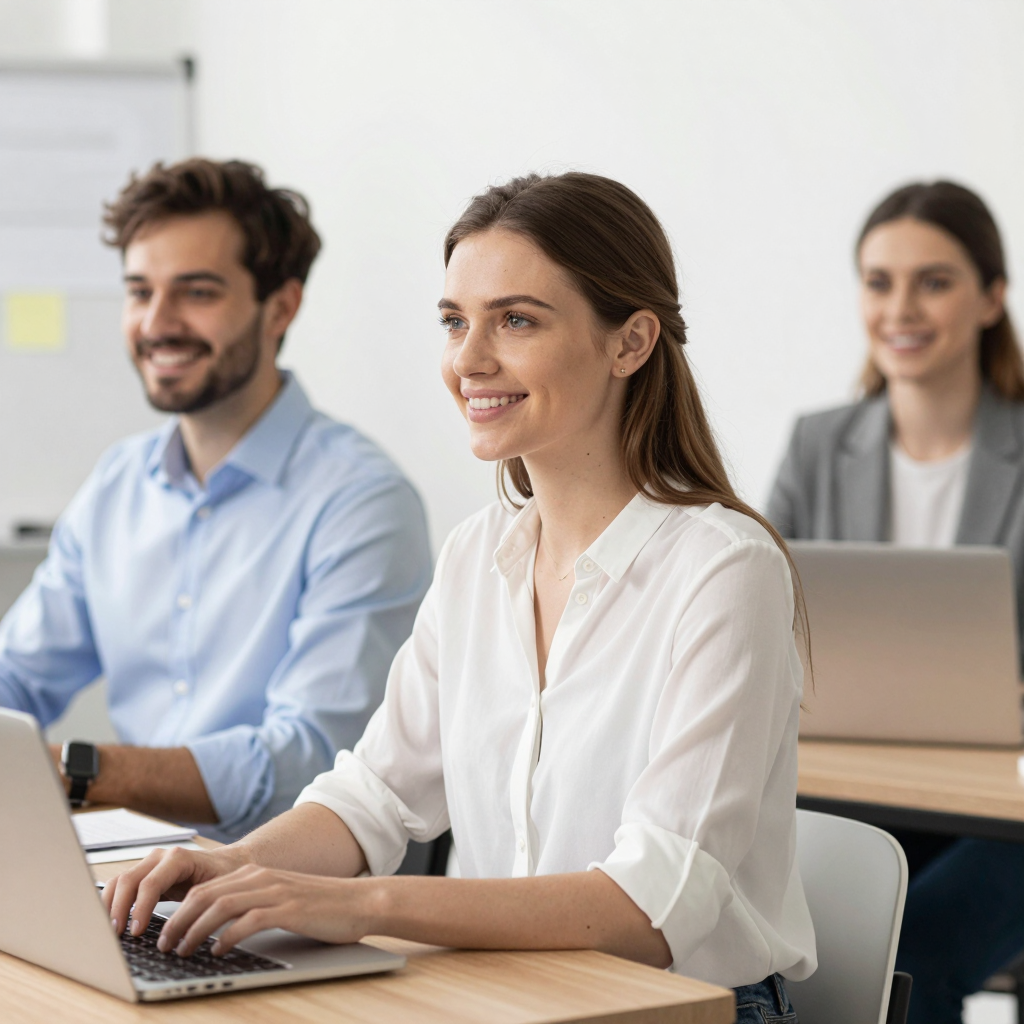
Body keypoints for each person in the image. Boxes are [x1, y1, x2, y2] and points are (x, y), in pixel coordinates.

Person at [103, 171, 816, 1021]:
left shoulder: (724, 570)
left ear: (630, 343)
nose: (468, 360)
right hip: (503, 994)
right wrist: (238, 869)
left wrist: (362, 907)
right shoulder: (479, 556)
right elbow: (375, 797)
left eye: (515, 319)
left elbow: (652, 908)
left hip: (676, 1006)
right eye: (454, 322)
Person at [0, 158, 431, 842]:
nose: (157, 323)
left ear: (281, 307)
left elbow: (310, 761)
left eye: (196, 293)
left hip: (287, 900)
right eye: (139, 292)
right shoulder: (117, 485)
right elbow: (18, 675)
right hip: (134, 878)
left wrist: (79, 774)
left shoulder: (361, 501)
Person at [768, 180, 1024, 1024]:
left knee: (917, 951)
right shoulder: (818, 444)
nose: (901, 307)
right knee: (785, 938)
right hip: (856, 786)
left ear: (992, 296)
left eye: (934, 281)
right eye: (879, 282)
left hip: (1007, 813)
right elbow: (761, 613)